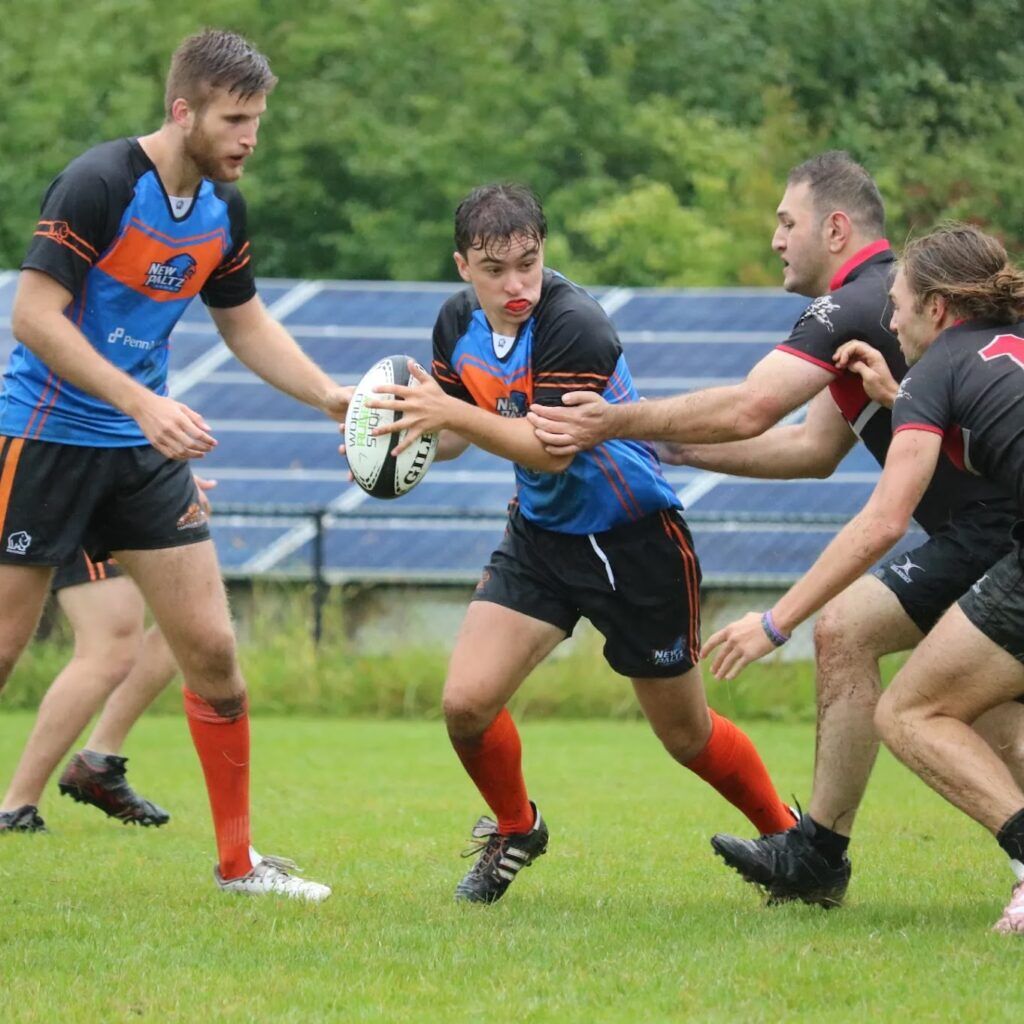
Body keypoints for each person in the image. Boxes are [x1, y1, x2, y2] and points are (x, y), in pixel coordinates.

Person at [527, 151, 1024, 907]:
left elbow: (752, 408)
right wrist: (667, 447)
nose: (775, 239)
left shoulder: (852, 307)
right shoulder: (901, 326)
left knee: (910, 697)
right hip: (987, 529)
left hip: (990, 531)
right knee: (961, 698)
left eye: (787, 221)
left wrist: (613, 420)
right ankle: (820, 851)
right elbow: (810, 448)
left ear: (835, 227)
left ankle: (825, 852)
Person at [360, 183, 795, 905]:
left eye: (528, 263)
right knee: (466, 704)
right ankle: (514, 829)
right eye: (495, 269)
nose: (516, 284)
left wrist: (442, 411)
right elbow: (462, 439)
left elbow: (550, 448)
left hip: (635, 542)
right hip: (542, 538)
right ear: (463, 265)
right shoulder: (455, 325)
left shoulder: (575, 324)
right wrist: (406, 436)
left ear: (542, 253)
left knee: (686, 737)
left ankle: (791, 841)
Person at [1, 30, 352, 900]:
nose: (248, 139)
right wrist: (144, 403)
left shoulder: (224, 212)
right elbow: (34, 317)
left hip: (140, 452)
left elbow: (245, 325)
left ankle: (239, 866)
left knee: (213, 657)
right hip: (44, 437)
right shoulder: (101, 183)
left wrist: (330, 397)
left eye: (258, 122)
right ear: (182, 111)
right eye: (235, 120)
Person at [701, 223, 1024, 933]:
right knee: (985, 706)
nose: (892, 319)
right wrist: (897, 395)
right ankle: (818, 854)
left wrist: (772, 622)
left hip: (1002, 545)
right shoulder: (996, 350)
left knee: (913, 713)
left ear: (938, 309)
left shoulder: (940, 368)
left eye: (900, 306)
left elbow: (883, 521)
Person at [0, 477, 214, 833]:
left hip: (129, 482)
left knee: (191, 625)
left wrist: (166, 474)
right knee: (109, 649)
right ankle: (16, 807)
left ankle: (98, 761)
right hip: (85, 479)